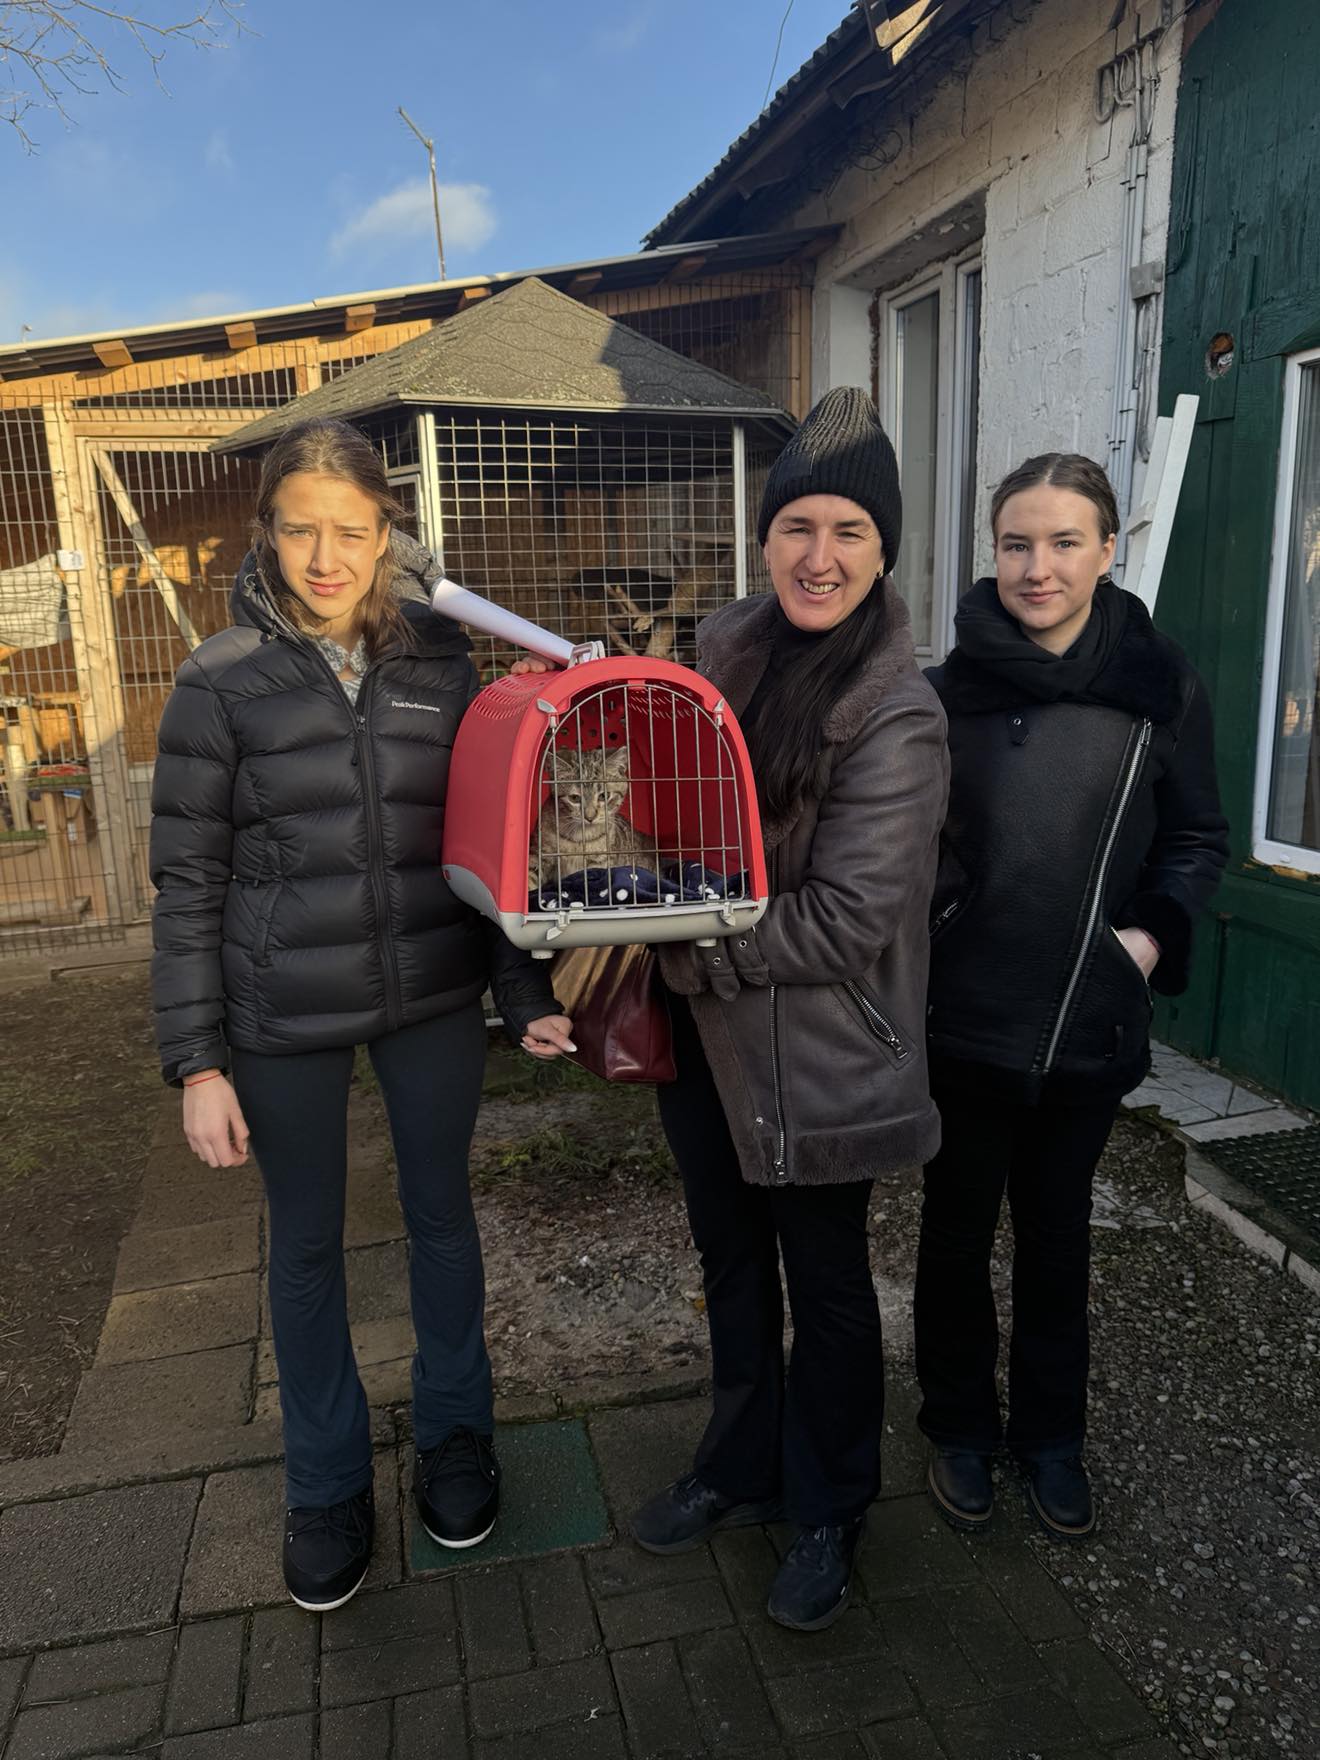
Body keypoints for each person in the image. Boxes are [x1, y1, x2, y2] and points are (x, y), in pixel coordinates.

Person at [149, 417, 574, 1612]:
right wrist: (197, 1062)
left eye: (350, 529)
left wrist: (521, 991)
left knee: (442, 1219)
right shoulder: (219, 678)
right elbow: (187, 882)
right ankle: (327, 1483)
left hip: (431, 990)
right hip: (280, 1009)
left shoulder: (443, 655)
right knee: (307, 1244)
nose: (326, 557)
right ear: (266, 533)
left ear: (388, 531)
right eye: (301, 530)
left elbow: (485, 840)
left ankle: (456, 1438)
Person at [631, 387, 950, 1630]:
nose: (820, 555)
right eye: (798, 526)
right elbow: (669, 818)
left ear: (883, 549)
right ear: (764, 537)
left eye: (849, 531)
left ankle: (830, 1504)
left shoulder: (900, 711)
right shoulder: (718, 654)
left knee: (826, 1284)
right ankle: (741, 1464)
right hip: (706, 1043)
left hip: (821, 1050)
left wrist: (684, 946)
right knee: (729, 1260)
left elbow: (846, 918)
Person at [916, 452, 1228, 1540]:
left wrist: (1141, 943)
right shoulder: (945, 693)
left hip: (1088, 1020)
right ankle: (958, 1423)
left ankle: (1051, 1437)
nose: (1036, 567)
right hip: (963, 1019)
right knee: (955, 1237)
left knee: (1057, 1241)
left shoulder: (1160, 686)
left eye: (1062, 542)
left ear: (1106, 552)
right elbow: (911, 848)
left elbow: (1197, 836)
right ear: (993, 552)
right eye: (1016, 543)